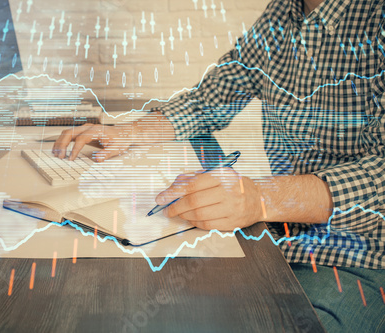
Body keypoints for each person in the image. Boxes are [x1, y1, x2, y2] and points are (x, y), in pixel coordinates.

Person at [53, 0, 384, 331]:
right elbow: (212, 98)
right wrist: (130, 133)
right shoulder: (285, 10)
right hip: (280, 234)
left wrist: (260, 198)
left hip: (358, 258)